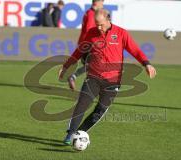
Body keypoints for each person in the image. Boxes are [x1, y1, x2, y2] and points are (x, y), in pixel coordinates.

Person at [59, 9, 157, 145]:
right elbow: (79, 51)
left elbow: (135, 50)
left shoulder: (121, 33)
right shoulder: (91, 33)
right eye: (96, 24)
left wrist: (147, 64)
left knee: (99, 112)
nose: (98, 27)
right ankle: (70, 134)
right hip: (93, 77)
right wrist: (66, 66)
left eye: (101, 24)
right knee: (81, 105)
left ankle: (80, 133)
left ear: (108, 19)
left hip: (112, 81)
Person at [67, 0, 105, 91]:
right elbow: (89, 30)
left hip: (85, 43)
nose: (103, 4)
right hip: (88, 44)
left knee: (90, 66)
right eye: (102, 2)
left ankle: (73, 77)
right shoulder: (92, 14)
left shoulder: (89, 13)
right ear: (97, 2)